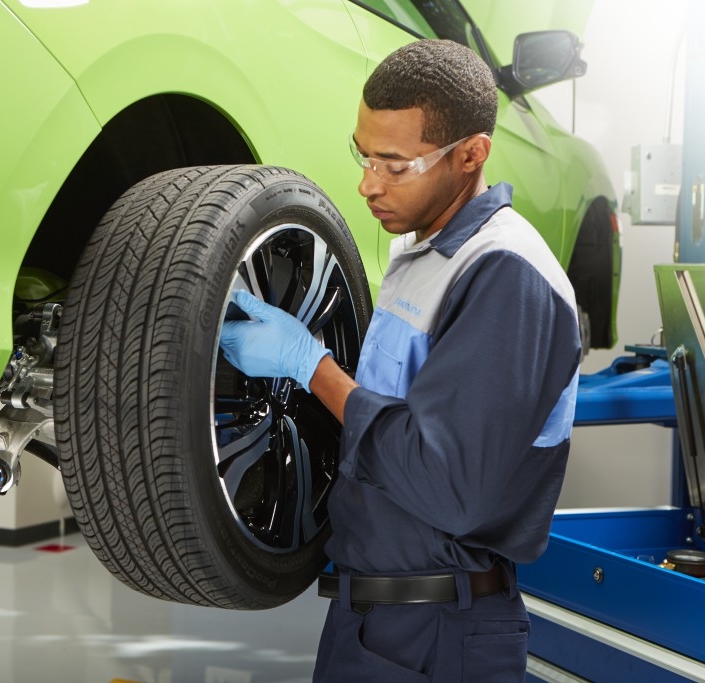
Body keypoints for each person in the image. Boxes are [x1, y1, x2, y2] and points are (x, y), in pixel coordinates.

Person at [219, 39, 581, 682]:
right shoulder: (425, 254)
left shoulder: (505, 275)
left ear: (471, 154)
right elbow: (396, 409)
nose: (366, 184)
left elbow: (450, 485)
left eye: (395, 164)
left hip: (440, 635)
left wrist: (314, 368)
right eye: (363, 156)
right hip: (370, 619)